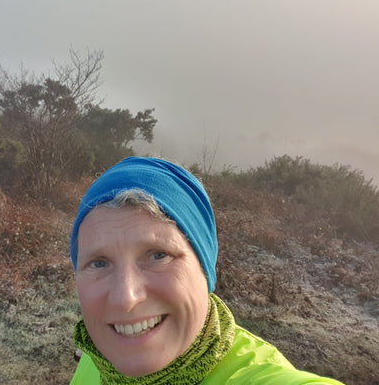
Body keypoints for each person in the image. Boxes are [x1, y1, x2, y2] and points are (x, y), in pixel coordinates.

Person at [69, 156, 344, 384]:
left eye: (158, 255)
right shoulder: (97, 361)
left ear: (205, 268)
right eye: (99, 263)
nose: (125, 298)